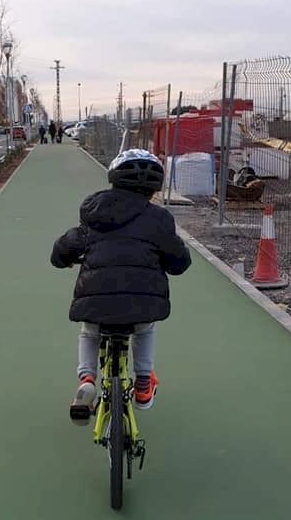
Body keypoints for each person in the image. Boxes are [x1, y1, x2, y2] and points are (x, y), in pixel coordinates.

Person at [50, 149, 191, 423]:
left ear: (113, 179)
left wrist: (64, 259)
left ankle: (87, 378)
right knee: (145, 329)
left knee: (90, 332)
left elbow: (63, 249)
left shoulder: (94, 213)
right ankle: (143, 383)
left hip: (95, 300)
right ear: (154, 189)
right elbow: (179, 262)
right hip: (143, 303)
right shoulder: (159, 220)